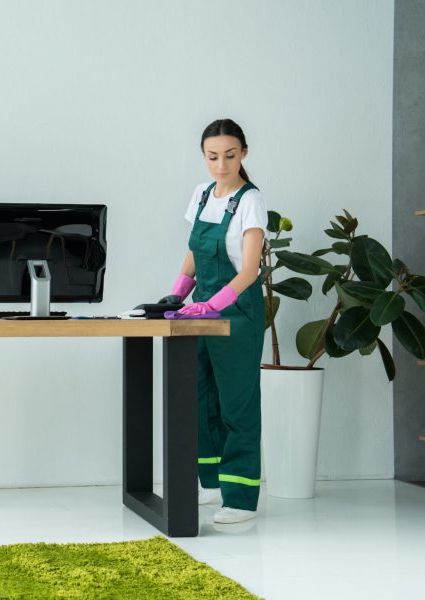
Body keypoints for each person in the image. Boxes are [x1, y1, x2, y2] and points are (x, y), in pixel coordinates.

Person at [165, 118, 266, 525]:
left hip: (236, 313)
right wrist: (177, 292)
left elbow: (251, 269)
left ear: (243, 152)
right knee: (200, 396)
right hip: (201, 311)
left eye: (229, 155)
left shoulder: (250, 200)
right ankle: (210, 483)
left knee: (236, 404)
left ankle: (240, 499)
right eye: (212, 156)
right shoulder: (202, 194)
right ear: (203, 156)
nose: (221, 165)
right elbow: (194, 251)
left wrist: (217, 302)